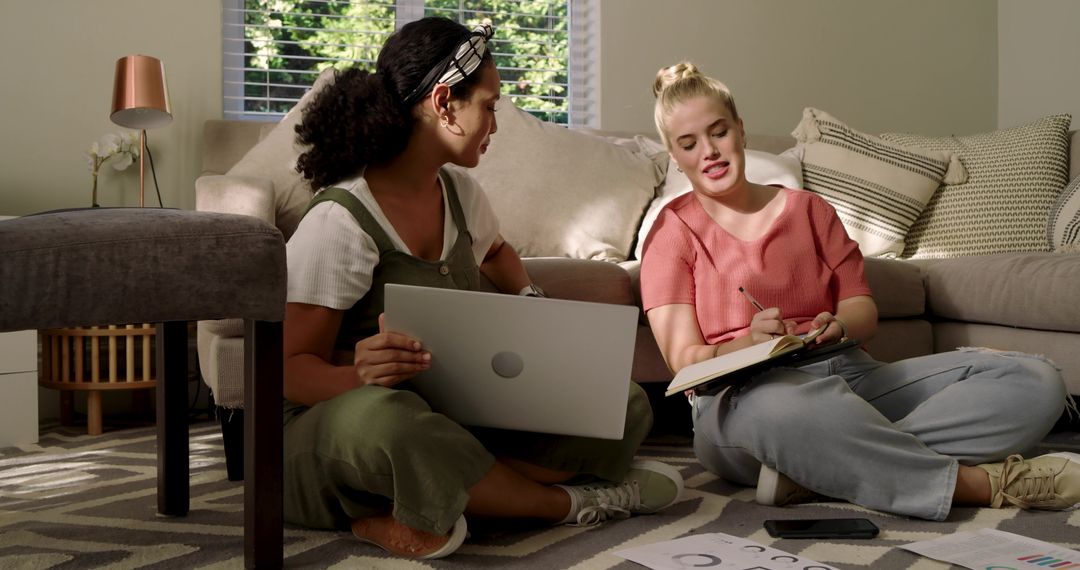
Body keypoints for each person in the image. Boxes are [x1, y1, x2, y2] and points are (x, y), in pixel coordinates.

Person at [281, 17, 683, 561]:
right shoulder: (340, 221)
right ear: (445, 103)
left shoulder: (461, 194)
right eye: (490, 106)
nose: (496, 123)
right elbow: (287, 370)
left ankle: (444, 495)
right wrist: (358, 375)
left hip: (450, 412)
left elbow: (495, 252)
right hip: (339, 427)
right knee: (394, 423)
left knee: (621, 401)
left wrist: (529, 304)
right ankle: (562, 505)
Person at [640, 61, 1079, 521]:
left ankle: (821, 469)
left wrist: (840, 324)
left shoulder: (809, 210)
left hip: (848, 376)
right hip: (742, 399)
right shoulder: (671, 233)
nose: (708, 151)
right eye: (689, 144)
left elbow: (860, 308)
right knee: (783, 409)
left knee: (1034, 379)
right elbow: (682, 361)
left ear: (741, 130)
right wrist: (746, 343)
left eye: (718, 132)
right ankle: (981, 485)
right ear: (674, 155)